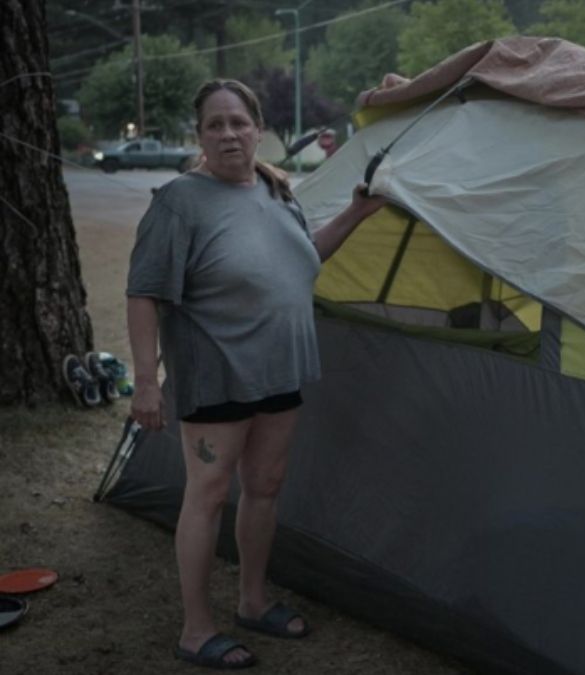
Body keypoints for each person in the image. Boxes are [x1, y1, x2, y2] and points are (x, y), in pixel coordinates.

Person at [126, 79, 386, 670]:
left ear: (257, 128)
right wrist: (145, 381)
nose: (228, 134)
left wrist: (357, 212)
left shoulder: (275, 190)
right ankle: (196, 630)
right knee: (209, 496)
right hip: (217, 374)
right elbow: (143, 293)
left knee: (265, 489)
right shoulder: (179, 202)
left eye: (238, 123)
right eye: (214, 125)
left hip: (280, 371)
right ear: (199, 135)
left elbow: (304, 259)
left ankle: (252, 600)